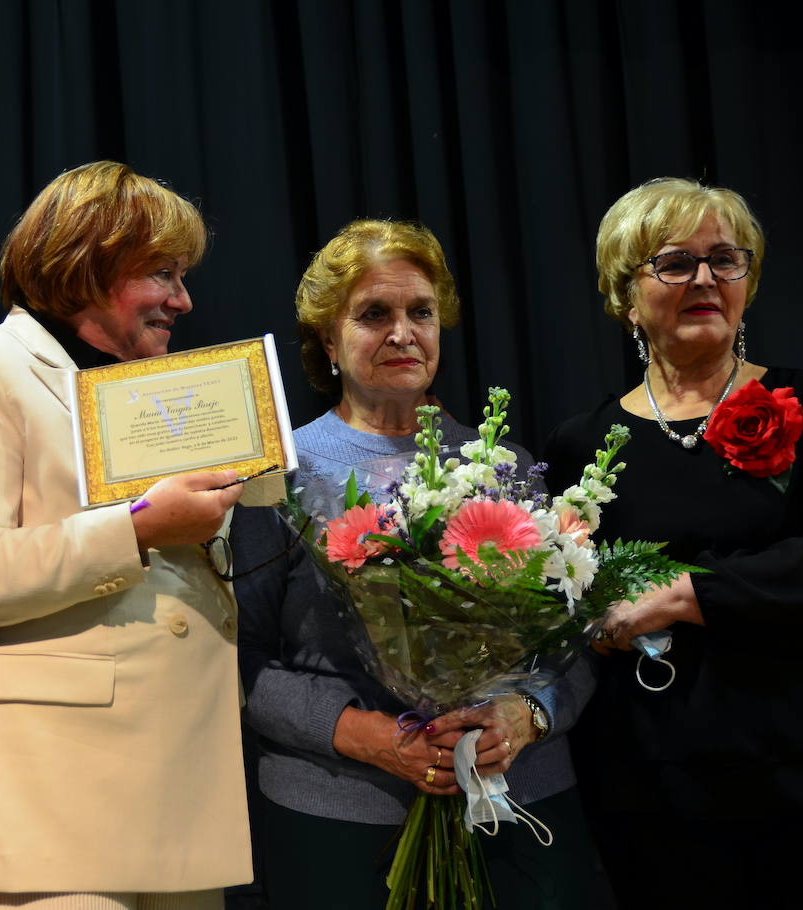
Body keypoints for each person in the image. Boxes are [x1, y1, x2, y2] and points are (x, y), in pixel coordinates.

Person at [230, 219, 609, 909]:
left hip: (517, 803)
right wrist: (366, 736)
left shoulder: (508, 467)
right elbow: (239, 658)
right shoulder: (278, 475)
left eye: (421, 313)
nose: (403, 332)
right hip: (341, 816)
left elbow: (578, 640)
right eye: (374, 314)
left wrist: (529, 713)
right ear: (328, 339)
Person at [0, 161, 251, 910]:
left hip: (181, 801)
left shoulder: (154, 390)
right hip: (53, 809)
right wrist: (136, 531)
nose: (183, 300)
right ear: (88, 263)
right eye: (162, 273)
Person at [545, 177, 803, 909]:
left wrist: (685, 594)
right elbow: (568, 605)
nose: (705, 278)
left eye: (725, 260)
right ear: (626, 294)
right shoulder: (583, 443)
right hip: (656, 791)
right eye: (675, 262)